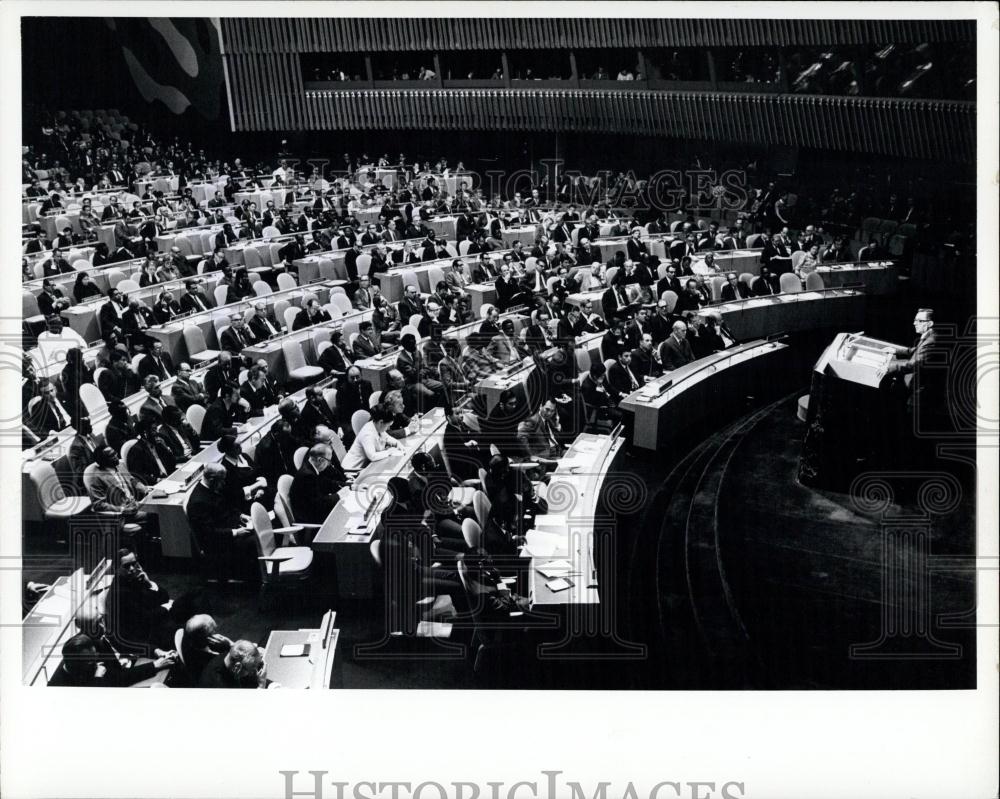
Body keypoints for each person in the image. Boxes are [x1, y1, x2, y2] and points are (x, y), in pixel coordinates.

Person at [187, 463, 256, 580]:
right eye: (221, 481)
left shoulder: (212, 488)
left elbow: (227, 506)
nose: (223, 484)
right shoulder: (198, 502)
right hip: (220, 544)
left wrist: (240, 515)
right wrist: (235, 532)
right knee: (255, 541)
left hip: (231, 529)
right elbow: (208, 534)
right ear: (212, 479)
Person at [103, 548, 173, 655]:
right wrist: (166, 607)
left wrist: (149, 584)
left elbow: (164, 598)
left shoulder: (134, 578)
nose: (132, 569)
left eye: (134, 563)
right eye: (126, 566)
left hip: (151, 624)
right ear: (116, 569)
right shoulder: (120, 593)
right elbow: (145, 617)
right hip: (141, 637)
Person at [47, 633, 174, 687]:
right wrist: (98, 679)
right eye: (92, 660)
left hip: (130, 668)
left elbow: (129, 644)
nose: (97, 658)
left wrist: (156, 651)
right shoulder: (57, 686)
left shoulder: (94, 647)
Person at [289, 443, 349, 524]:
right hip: (310, 518)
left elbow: (328, 483)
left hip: (314, 509)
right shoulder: (307, 476)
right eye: (328, 461)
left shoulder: (311, 467)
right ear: (320, 460)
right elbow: (319, 504)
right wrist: (338, 495)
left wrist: (351, 486)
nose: (329, 465)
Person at [167, 614, 233, 687]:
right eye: (214, 632)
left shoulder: (189, 633)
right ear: (203, 639)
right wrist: (230, 645)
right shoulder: (211, 661)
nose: (217, 634)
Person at [218, 434, 269, 510]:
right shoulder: (226, 469)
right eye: (237, 447)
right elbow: (235, 494)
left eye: (240, 445)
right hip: (245, 503)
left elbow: (259, 471)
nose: (241, 448)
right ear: (229, 450)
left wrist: (260, 489)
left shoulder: (244, 456)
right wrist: (257, 485)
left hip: (260, 492)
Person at [198, 640, 274, 688]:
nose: (254, 672)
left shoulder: (230, 657)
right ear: (237, 667)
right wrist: (261, 685)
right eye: (251, 670)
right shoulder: (220, 686)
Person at [127, 418, 176, 484]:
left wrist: (165, 448)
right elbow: (138, 475)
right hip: (155, 484)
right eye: (153, 430)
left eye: (156, 429)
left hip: (169, 479)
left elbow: (172, 464)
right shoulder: (136, 451)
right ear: (145, 433)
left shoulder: (157, 444)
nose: (157, 433)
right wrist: (156, 480)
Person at [335, 366, 374, 442]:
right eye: (352, 378)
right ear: (347, 378)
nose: (355, 380)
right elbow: (340, 412)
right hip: (350, 420)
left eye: (357, 377)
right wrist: (339, 426)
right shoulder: (342, 390)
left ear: (361, 375)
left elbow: (371, 403)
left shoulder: (367, 384)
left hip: (368, 416)